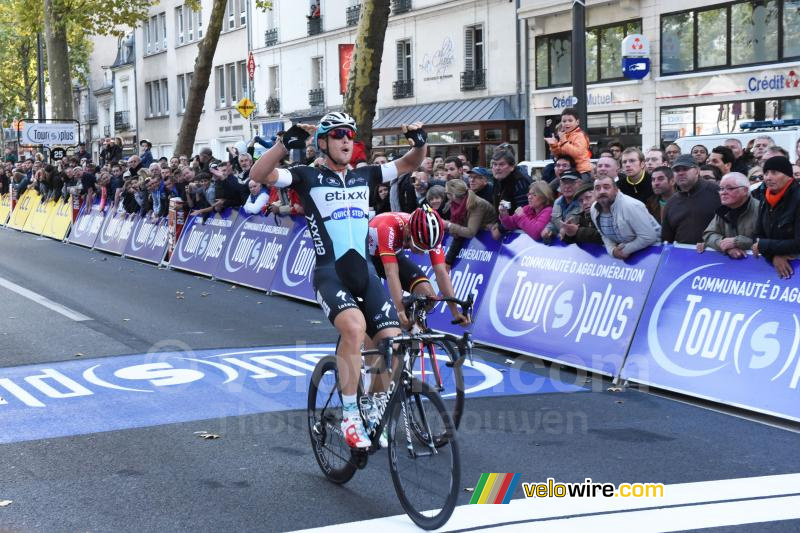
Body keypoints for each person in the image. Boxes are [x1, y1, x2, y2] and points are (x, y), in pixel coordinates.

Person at [249, 112, 428, 449]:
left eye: (350, 135)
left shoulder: (366, 174)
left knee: (393, 345)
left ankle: (372, 407)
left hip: (365, 275)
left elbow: (410, 162)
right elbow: (259, 174)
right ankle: (349, 416)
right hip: (330, 274)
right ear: (323, 143)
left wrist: (420, 141)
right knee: (355, 328)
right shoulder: (306, 176)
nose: (346, 141)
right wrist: (281, 145)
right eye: (337, 135)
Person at [368, 207, 469, 332]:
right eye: (418, 247)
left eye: (426, 249)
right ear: (408, 232)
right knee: (382, 306)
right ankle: (381, 332)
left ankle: (411, 338)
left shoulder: (431, 234)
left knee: (428, 298)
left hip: (394, 252)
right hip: (368, 258)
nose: (421, 253)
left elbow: (441, 273)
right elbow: (391, 273)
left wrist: (455, 312)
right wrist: (400, 309)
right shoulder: (387, 228)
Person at [590, 175, 661, 259]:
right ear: (594, 192)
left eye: (606, 187)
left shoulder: (631, 206)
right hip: (629, 254)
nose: (601, 191)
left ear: (616, 190)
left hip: (654, 252)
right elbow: (603, 234)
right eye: (597, 188)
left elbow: (649, 237)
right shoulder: (594, 209)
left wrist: (624, 250)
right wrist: (612, 251)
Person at [752, 156, 800, 279]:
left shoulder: (797, 199)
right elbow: (758, 235)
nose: (768, 177)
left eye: (774, 173)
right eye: (766, 173)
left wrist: (764, 246)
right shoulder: (765, 199)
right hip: (776, 267)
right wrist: (773, 256)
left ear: (788, 176)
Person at [661, 154, 721, 245]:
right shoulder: (671, 202)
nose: (680, 173)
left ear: (697, 171)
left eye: (685, 169)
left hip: (715, 255)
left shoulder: (718, 193)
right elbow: (666, 239)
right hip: (682, 256)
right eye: (676, 170)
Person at [700, 172, 759, 258]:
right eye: (721, 188)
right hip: (730, 268)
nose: (723, 193)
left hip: (760, 267)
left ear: (745, 190)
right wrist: (724, 246)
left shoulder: (760, 210)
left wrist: (737, 242)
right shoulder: (723, 210)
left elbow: (767, 242)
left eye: (729, 188)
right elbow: (708, 234)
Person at [442, 178, 497, 268]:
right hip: (483, 239)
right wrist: (448, 262)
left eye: (447, 193)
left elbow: (470, 232)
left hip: (492, 243)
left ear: (452, 195)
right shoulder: (455, 204)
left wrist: (448, 225)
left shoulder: (477, 204)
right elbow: (459, 234)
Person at [545, 107, 592, 179]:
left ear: (577, 122)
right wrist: (553, 145)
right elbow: (559, 156)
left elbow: (577, 153)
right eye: (564, 121)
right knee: (549, 188)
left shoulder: (580, 135)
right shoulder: (564, 136)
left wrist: (564, 141)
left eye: (570, 121)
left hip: (582, 171)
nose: (567, 123)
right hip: (569, 172)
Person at [542, 170, 582, 243]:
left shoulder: (585, 202)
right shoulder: (557, 202)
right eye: (564, 183)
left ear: (580, 183)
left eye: (571, 182)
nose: (567, 186)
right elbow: (554, 222)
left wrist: (569, 231)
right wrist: (548, 229)